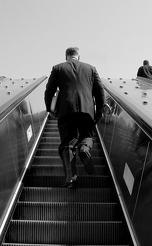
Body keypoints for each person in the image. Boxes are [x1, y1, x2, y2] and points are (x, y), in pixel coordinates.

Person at [44, 47, 105, 189]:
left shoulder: (58, 68)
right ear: (79, 56)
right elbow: (99, 91)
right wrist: (99, 111)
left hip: (66, 110)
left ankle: (71, 178)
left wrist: (49, 109)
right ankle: (84, 148)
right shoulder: (91, 68)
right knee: (88, 135)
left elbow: (49, 90)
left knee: (67, 143)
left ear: (66, 56)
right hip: (87, 110)